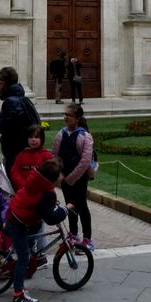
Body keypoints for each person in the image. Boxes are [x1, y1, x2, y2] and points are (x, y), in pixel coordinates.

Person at [5, 158, 71, 302]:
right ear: (53, 179)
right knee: (24, 257)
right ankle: (18, 295)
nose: (62, 176)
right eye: (60, 174)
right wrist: (64, 210)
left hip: (16, 214)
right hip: (18, 221)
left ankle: (25, 252)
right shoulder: (47, 192)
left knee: (33, 232)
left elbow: (39, 204)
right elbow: (50, 218)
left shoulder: (36, 181)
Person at [53, 103, 95, 250]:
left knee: (82, 206)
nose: (65, 117)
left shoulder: (85, 136)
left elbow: (85, 161)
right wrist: (59, 174)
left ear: (77, 118)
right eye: (65, 114)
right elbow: (55, 156)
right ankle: (73, 235)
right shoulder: (61, 134)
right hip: (65, 177)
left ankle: (87, 239)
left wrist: (70, 178)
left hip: (79, 178)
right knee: (70, 206)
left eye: (68, 115)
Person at [0, 66, 40, 176]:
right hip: (25, 151)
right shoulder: (24, 99)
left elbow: (4, 128)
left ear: (3, 83)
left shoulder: (10, 102)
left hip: (15, 153)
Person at [10, 124, 53, 191]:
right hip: (24, 189)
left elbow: (50, 175)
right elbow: (14, 171)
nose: (33, 140)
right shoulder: (22, 155)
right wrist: (22, 184)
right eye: (31, 137)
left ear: (42, 139)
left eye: (36, 137)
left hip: (41, 191)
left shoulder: (46, 155)